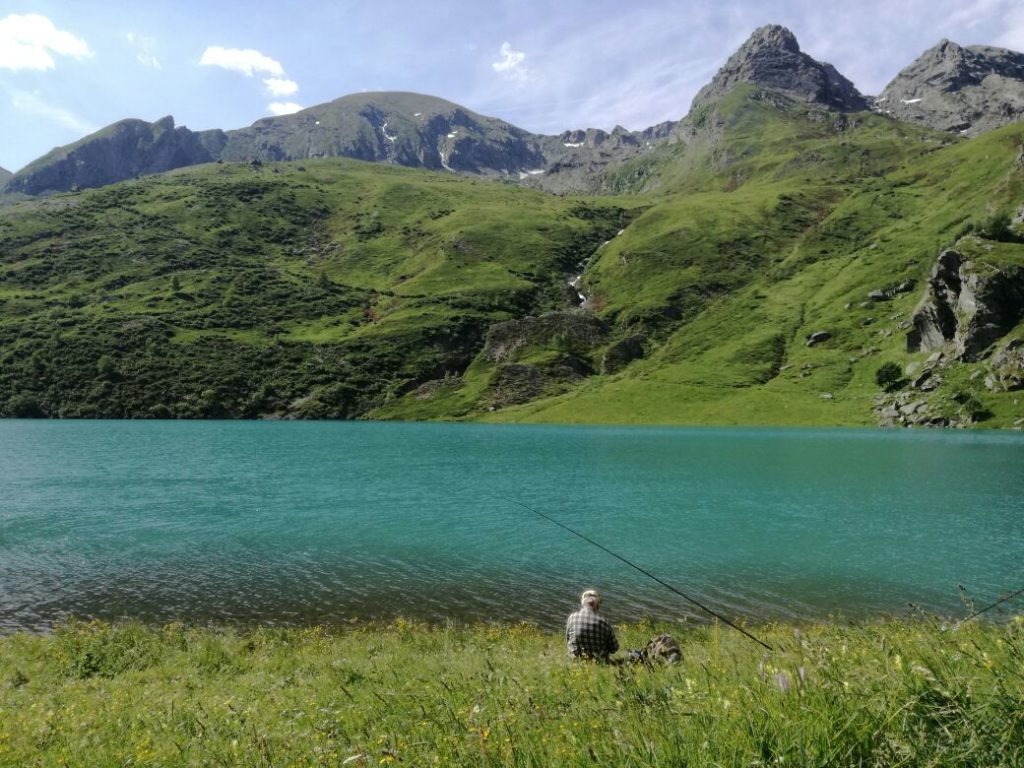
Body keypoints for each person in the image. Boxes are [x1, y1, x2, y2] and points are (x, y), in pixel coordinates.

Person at [565, 588, 619, 661]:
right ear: (598, 605)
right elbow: (614, 648)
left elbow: (568, 640)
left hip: (574, 662)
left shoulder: (572, 618)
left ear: (582, 603)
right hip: (598, 664)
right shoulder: (604, 623)